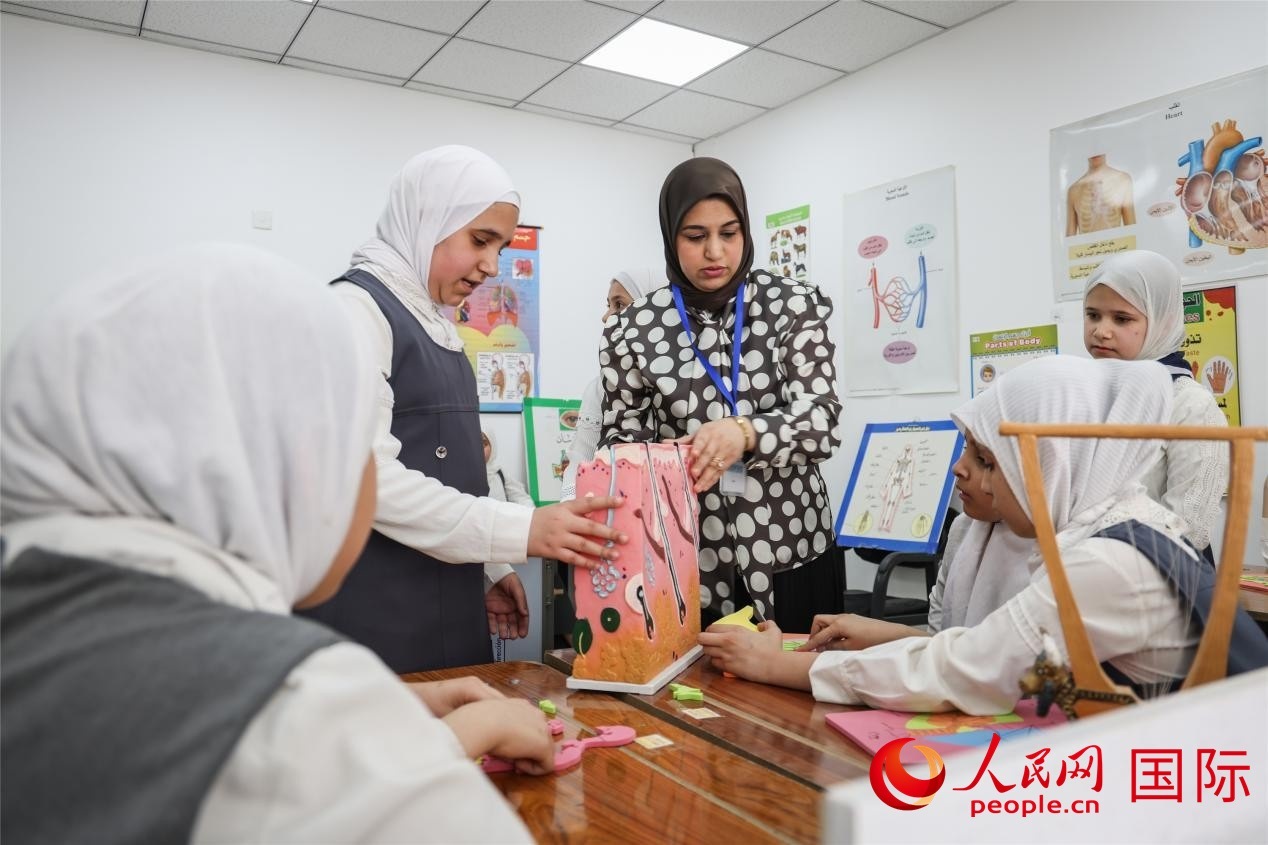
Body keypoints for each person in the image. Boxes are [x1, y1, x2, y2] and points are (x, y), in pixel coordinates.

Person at [0, 244, 551, 843]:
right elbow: (315, 782)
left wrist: (392, 718)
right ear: (295, 458)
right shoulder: (286, 713)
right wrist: (375, 726)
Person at [699, 356, 1268, 714]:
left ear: (1052, 463)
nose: (960, 470)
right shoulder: (1117, 529)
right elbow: (992, 650)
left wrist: (775, 665)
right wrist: (883, 635)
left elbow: (965, 669)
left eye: (988, 458)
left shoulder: (1108, 566)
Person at [299, 146, 625, 673]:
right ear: (427, 219)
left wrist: (488, 569)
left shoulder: (436, 324)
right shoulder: (357, 313)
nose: (492, 266)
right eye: (480, 240)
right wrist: (521, 531)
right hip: (380, 609)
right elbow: (369, 478)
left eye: (500, 246)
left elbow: (452, 469)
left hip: (447, 601)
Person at [599, 157, 842, 632]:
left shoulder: (790, 305)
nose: (715, 252)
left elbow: (821, 423)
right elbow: (618, 449)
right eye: (695, 236)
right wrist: (665, 459)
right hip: (691, 564)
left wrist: (746, 433)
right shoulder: (633, 330)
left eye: (729, 234)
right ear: (671, 237)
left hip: (793, 550)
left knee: (800, 697)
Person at [822, 431, 1036, 651]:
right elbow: (940, 643)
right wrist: (878, 634)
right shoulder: (964, 528)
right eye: (964, 451)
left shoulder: (1060, 560)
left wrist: (888, 638)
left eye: (983, 460)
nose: (957, 467)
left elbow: (983, 665)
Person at [1082, 249, 1227, 554]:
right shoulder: (1085, 394)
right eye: (1093, 315)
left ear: (1163, 321)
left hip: (1160, 579)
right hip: (1080, 574)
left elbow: (1189, 528)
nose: (1101, 331)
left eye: (1122, 319)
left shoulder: (1189, 405)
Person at [560, 267, 665, 502]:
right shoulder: (600, 387)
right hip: (617, 518)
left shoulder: (685, 384)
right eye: (608, 305)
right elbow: (579, 462)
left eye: (619, 305)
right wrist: (567, 505)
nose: (606, 317)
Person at [482, 429, 534, 641]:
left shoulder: (499, 472)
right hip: (477, 552)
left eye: (483, 443)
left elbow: (522, 499)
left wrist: (525, 521)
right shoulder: (456, 474)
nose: (478, 450)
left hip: (505, 547)